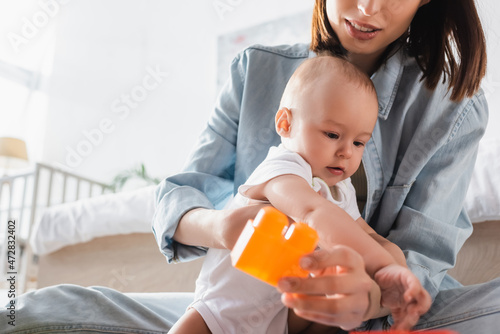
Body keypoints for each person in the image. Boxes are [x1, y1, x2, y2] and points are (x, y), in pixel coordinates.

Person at [2, 0, 500, 333]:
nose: (369, 8)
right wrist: (222, 225)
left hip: (360, 317)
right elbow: (183, 193)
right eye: (331, 135)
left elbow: (417, 260)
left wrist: (373, 297)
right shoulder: (257, 72)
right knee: (33, 310)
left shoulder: (453, 107)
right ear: (286, 120)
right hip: (242, 308)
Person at [169, 56, 430, 334]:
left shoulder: (340, 190)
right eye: (332, 134)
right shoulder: (283, 167)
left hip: (280, 320)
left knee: (331, 307)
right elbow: (311, 213)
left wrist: (397, 266)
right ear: (285, 124)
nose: (347, 152)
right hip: (219, 313)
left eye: (358, 142)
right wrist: (380, 267)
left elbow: (367, 235)